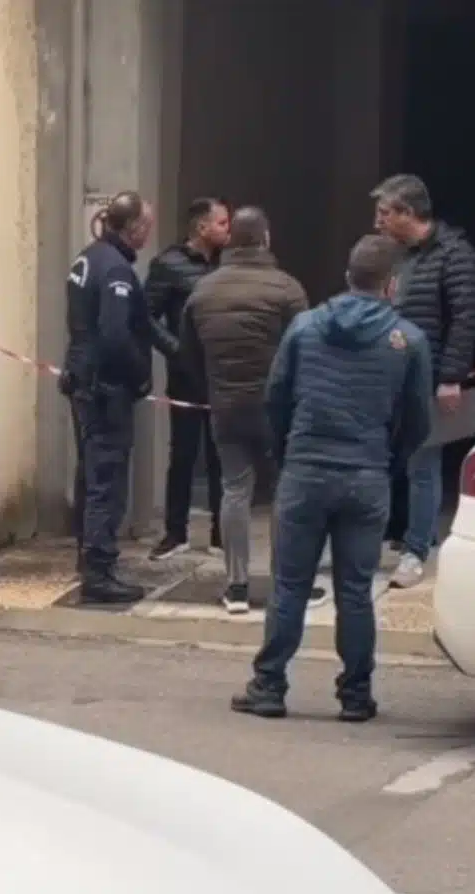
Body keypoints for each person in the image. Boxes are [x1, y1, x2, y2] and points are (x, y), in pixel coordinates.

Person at [232, 235, 432, 721]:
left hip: (306, 469)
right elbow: (418, 421)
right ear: (392, 285)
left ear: (347, 277)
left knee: (290, 586)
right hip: (366, 474)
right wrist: (387, 459)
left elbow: (276, 397)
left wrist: (288, 453)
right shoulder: (408, 341)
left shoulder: (304, 328)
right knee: (355, 591)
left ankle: (269, 686)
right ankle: (356, 695)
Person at [184, 206, 317, 614]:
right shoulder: (287, 289)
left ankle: (236, 587)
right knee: (283, 493)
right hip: (276, 409)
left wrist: (212, 389)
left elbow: (188, 354)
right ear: (266, 239)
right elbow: (306, 351)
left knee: (234, 490)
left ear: (231, 240)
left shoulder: (203, 291)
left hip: (225, 406)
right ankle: (284, 585)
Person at [370, 173, 475, 589]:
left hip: (430, 377)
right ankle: (393, 537)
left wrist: (451, 377)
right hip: (390, 378)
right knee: (384, 463)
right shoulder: (396, 256)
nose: (377, 222)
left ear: (407, 212)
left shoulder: (455, 254)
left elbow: (465, 319)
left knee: (422, 466)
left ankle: (415, 552)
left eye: (384, 213)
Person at [61, 191, 158, 604]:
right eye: (146, 226)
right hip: (106, 390)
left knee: (90, 473)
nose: (148, 234)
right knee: (107, 480)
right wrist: (140, 376)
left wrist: (173, 348)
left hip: (83, 382)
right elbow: (116, 335)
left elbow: (140, 323)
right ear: (133, 227)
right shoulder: (116, 268)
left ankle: (88, 557)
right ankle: (99, 572)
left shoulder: (88, 258)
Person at [145, 196, 231, 560]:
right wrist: (175, 350)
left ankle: (221, 535)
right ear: (202, 227)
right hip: (186, 374)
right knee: (182, 452)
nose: (228, 230)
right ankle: (175, 532)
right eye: (222, 223)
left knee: (221, 455)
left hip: (223, 372)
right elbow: (145, 316)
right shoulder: (169, 264)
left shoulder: (229, 263)